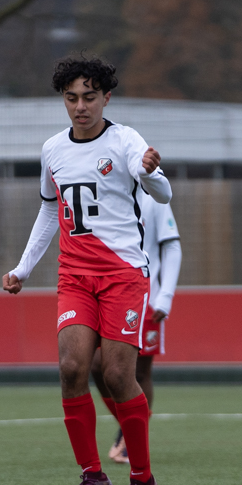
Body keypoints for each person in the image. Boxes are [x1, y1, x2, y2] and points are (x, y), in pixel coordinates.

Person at [3, 56, 172, 485]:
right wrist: (23, 268)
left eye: (89, 97)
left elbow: (162, 194)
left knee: (117, 376)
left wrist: (151, 172)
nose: (80, 106)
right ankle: (93, 476)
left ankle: (142, 481)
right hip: (75, 276)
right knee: (72, 368)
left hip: (122, 276)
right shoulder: (52, 149)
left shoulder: (125, 140)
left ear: (106, 98)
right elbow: (49, 210)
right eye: (71, 97)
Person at [95, 196, 182, 464]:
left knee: (140, 371)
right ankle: (129, 427)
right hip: (107, 293)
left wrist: (165, 295)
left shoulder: (152, 193)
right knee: (97, 366)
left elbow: (172, 245)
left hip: (147, 297)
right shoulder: (104, 190)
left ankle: (131, 438)